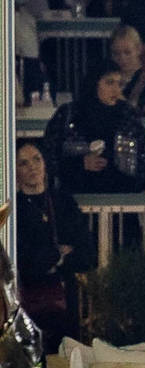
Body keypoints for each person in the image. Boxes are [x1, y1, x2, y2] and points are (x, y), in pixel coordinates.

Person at [14, 141, 94, 356]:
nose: (32, 167)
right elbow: (23, 260)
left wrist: (50, 259)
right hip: (27, 303)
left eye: (36, 160)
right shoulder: (15, 210)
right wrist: (58, 254)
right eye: (23, 163)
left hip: (64, 300)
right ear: (15, 171)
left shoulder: (63, 203)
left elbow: (87, 254)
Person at [42, 61, 145, 196]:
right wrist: (80, 164)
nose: (116, 90)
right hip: (77, 199)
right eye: (109, 83)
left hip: (123, 200)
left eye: (119, 84)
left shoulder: (128, 114)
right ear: (94, 83)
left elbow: (143, 154)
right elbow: (49, 156)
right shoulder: (69, 114)